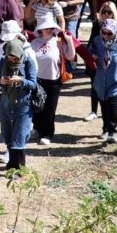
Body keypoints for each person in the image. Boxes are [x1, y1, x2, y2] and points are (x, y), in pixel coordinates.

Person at [0, 36, 37, 171]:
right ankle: (11, 165)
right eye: (9, 57)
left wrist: (21, 80)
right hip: (6, 104)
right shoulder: (4, 62)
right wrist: (2, 82)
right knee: (8, 134)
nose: (12, 60)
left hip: (23, 105)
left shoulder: (28, 61)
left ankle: (18, 167)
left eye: (15, 57)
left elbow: (33, 84)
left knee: (20, 135)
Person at [30, 16, 70, 145]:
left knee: (49, 108)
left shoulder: (58, 41)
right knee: (36, 106)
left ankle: (47, 133)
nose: (48, 30)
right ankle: (36, 128)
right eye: (45, 28)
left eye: (50, 28)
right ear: (40, 30)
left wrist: (69, 42)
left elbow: (71, 56)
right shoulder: (34, 42)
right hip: (37, 79)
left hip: (53, 80)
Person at [88, 18, 117, 145]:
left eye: (109, 33)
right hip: (100, 79)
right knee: (104, 105)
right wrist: (92, 56)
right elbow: (89, 52)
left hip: (116, 80)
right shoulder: (97, 41)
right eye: (103, 32)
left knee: (113, 104)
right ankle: (105, 128)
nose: (105, 36)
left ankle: (112, 131)